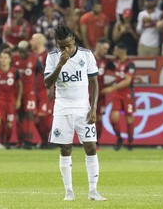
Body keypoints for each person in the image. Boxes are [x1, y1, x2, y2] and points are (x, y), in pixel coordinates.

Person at [44, 24, 106, 201]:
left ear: (73, 40)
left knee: (91, 146)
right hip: (62, 108)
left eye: (68, 45)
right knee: (65, 148)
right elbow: (48, 83)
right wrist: (60, 65)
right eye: (61, 46)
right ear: (56, 44)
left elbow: (94, 82)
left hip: (83, 108)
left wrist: (93, 108)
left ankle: (93, 191)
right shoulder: (52, 57)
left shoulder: (86, 55)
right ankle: (69, 192)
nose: (65, 49)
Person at [101, 42, 136, 151]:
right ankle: (119, 139)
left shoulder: (130, 64)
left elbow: (127, 81)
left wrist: (112, 88)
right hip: (117, 94)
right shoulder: (114, 63)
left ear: (121, 51)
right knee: (114, 118)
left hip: (127, 94)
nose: (114, 52)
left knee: (129, 117)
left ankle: (130, 141)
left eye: (115, 50)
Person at [12, 40, 43, 149]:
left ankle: (29, 141)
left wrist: (46, 89)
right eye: (20, 51)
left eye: (23, 51)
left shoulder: (35, 61)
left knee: (29, 115)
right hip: (17, 93)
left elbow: (43, 73)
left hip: (29, 93)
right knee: (19, 117)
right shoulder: (14, 59)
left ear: (28, 51)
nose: (21, 54)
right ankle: (20, 141)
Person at [30, 33, 53, 149]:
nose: (30, 42)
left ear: (38, 42)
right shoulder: (31, 56)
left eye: (32, 40)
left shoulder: (47, 56)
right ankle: (44, 141)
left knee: (44, 117)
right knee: (35, 118)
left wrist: (51, 89)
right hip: (33, 91)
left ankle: (51, 141)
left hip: (44, 90)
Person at [93, 37, 111, 148]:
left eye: (107, 49)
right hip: (88, 94)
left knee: (99, 118)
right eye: (104, 48)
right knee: (88, 118)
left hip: (100, 95)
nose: (105, 51)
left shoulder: (106, 61)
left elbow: (116, 74)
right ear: (98, 46)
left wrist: (110, 85)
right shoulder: (88, 58)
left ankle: (96, 142)